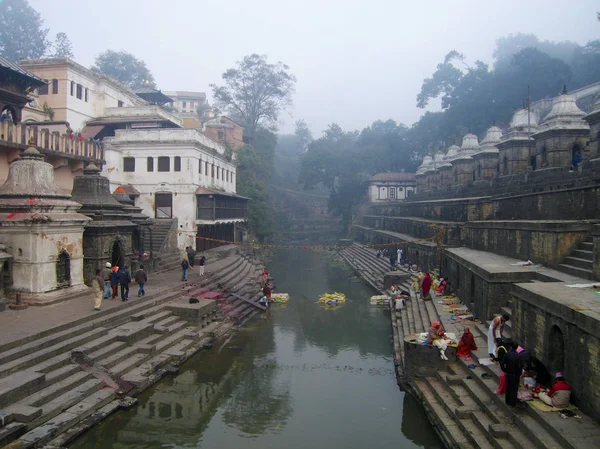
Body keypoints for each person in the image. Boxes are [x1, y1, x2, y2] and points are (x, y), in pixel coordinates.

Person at [501, 341, 521, 407]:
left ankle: (507, 401)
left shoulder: (507, 354)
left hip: (508, 373)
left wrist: (504, 370)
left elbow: (502, 363)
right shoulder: (518, 356)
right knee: (514, 389)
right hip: (515, 375)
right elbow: (519, 366)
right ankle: (512, 403)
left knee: (508, 387)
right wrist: (519, 374)